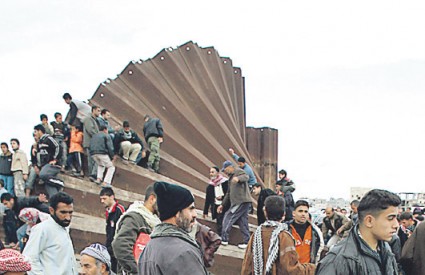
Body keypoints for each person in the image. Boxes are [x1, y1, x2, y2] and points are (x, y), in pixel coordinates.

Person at [316, 189, 401, 274]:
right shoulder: (338, 261)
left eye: (396, 218)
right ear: (369, 221)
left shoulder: (385, 249)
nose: (396, 225)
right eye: (390, 218)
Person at [138, 181, 208, 275]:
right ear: (177, 213)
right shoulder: (184, 252)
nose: (195, 214)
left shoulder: (148, 248)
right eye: (190, 209)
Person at [241, 195, 316, 274]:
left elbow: (247, 265)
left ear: (265, 212)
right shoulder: (284, 237)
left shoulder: (256, 235)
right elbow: (291, 270)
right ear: (284, 215)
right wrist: (312, 268)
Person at [23, 192, 77, 275]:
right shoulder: (42, 229)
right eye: (63, 212)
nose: (68, 217)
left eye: (70, 212)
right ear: (52, 210)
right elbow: (29, 259)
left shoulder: (65, 227)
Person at [112, 185, 160, 275]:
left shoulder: (155, 220)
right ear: (152, 199)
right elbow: (120, 245)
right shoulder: (134, 218)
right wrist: (136, 271)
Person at [217, 160, 251, 249]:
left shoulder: (238, 171)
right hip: (240, 201)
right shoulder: (230, 179)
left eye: (225, 170)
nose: (225, 172)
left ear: (230, 167)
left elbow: (246, 176)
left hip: (240, 201)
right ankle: (247, 241)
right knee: (242, 222)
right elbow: (228, 193)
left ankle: (224, 239)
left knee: (228, 216)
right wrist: (222, 205)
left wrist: (238, 179)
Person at [287, 200, 324, 264]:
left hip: (308, 269)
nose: (303, 214)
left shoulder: (315, 231)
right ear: (294, 213)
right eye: (300, 211)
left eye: (306, 212)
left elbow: (319, 249)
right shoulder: (286, 230)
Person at [33, 124, 64, 197]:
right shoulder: (39, 143)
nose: (34, 133)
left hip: (53, 165)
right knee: (48, 186)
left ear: (40, 131)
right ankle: (56, 200)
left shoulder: (48, 138)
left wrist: (55, 159)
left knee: (42, 175)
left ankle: (59, 183)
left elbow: (58, 147)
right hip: (45, 166)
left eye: (35, 131)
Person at [99, 187, 125, 273]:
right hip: (109, 247)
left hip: (117, 248)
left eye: (104, 198)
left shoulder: (120, 210)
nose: (102, 201)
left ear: (112, 197)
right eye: (101, 199)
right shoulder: (108, 211)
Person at [203, 166, 228, 235]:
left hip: (225, 206)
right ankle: (221, 237)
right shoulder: (210, 186)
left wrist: (222, 197)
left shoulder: (225, 182)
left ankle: (224, 237)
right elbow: (207, 199)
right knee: (219, 222)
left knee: (224, 222)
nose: (211, 174)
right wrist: (205, 212)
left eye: (213, 172)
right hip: (216, 207)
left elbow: (229, 194)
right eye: (210, 172)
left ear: (217, 173)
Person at [83, 105, 101, 182]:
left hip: (94, 143)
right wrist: (99, 137)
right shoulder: (88, 119)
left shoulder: (95, 120)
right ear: (93, 110)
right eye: (98, 110)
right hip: (90, 143)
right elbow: (91, 130)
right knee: (93, 160)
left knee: (94, 160)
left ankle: (93, 175)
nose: (99, 112)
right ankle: (92, 175)